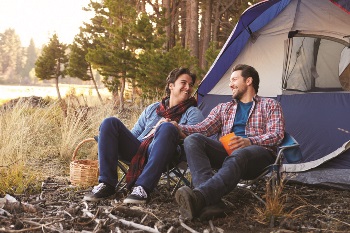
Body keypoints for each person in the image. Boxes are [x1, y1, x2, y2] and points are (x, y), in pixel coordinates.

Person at [172, 64, 285, 220]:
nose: (230, 84)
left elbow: (277, 135)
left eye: (234, 80)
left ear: (248, 81)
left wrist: (250, 141)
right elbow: (203, 128)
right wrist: (177, 126)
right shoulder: (224, 108)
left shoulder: (270, 105)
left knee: (240, 153)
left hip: (258, 155)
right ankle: (211, 203)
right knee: (192, 140)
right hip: (227, 153)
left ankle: (200, 196)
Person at [83, 67, 204, 204]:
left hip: (165, 153)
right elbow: (134, 135)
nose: (188, 88)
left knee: (167, 127)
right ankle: (107, 184)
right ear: (171, 85)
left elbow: (196, 141)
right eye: (183, 83)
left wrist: (174, 128)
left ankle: (142, 188)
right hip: (139, 149)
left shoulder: (193, 112)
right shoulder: (153, 109)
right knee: (109, 122)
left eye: (191, 85)